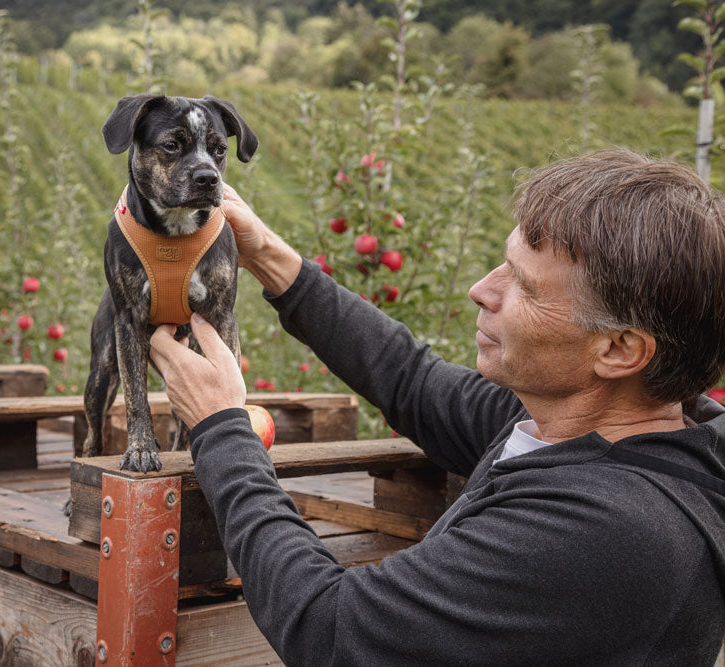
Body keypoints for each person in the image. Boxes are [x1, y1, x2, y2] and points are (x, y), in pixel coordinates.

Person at [148, 148, 725, 665]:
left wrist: (222, 428)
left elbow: (331, 629)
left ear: (620, 349)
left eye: (523, 285)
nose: (482, 289)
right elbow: (413, 379)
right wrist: (268, 255)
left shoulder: (604, 531)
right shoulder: (588, 424)